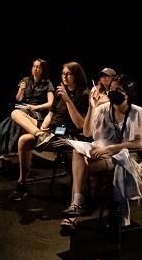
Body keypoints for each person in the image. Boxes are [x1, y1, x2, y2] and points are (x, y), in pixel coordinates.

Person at [60, 74, 142, 235]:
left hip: (122, 157)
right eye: (112, 89)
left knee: (81, 169)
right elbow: (87, 133)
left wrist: (111, 149)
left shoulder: (137, 112)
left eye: (119, 90)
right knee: (77, 151)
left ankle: (75, 211)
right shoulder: (103, 109)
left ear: (128, 94)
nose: (113, 92)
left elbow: (139, 144)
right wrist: (92, 107)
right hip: (100, 150)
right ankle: (77, 203)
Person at [9, 62, 90, 201]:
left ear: (76, 76)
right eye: (63, 73)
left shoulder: (84, 94)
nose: (65, 77)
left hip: (66, 134)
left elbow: (80, 124)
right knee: (16, 113)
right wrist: (44, 125)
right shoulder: (59, 92)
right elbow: (50, 114)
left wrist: (68, 100)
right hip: (49, 129)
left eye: (69, 74)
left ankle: (40, 136)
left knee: (24, 139)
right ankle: (22, 183)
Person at [0, 58, 55, 153]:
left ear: (43, 70)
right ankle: (24, 144)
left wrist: (36, 107)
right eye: (34, 66)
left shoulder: (47, 83)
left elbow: (51, 103)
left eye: (38, 67)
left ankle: (14, 148)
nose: (35, 69)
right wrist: (21, 90)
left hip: (37, 111)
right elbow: (18, 99)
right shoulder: (26, 80)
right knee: (9, 121)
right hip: (24, 107)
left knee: (15, 115)